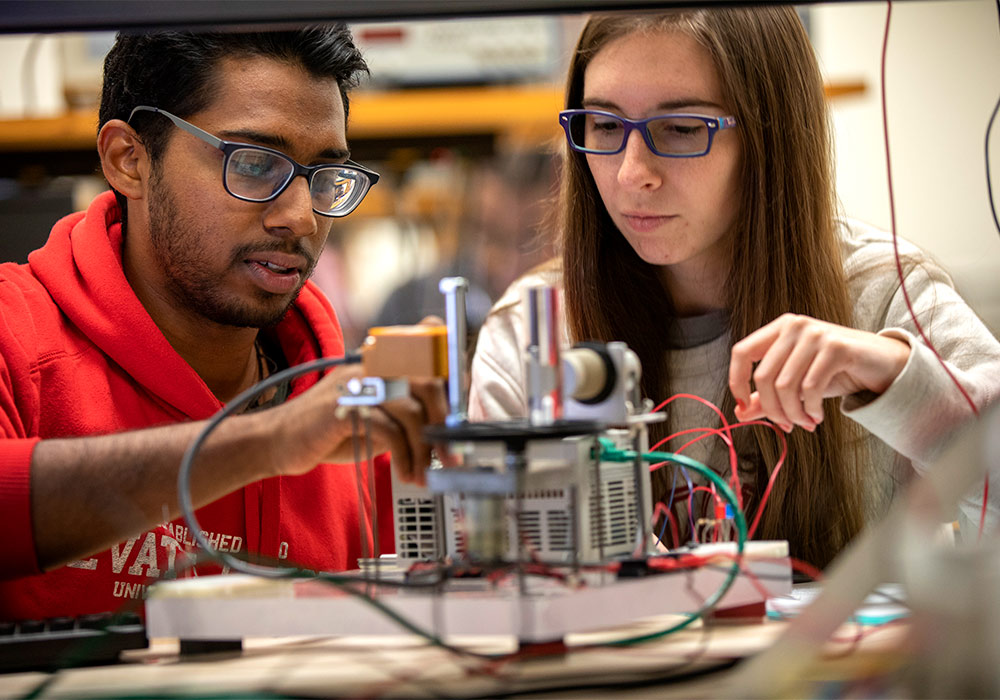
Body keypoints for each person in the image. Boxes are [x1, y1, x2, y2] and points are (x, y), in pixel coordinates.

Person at [468, 7, 1000, 568]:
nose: (631, 173)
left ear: (771, 133)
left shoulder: (881, 294)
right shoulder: (531, 336)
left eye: (680, 129)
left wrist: (899, 382)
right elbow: (502, 576)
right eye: (604, 125)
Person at [0, 27, 448, 621]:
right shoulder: (15, 337)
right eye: (257, 164)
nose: (300, 219)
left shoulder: (357, 426)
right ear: (128, 160)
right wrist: (269, 442)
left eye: (323, 177)